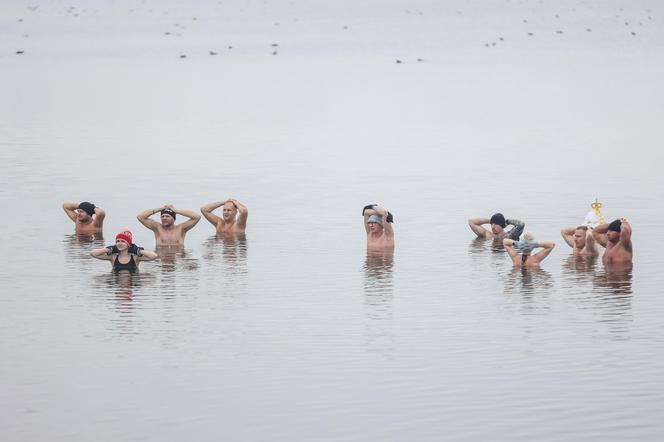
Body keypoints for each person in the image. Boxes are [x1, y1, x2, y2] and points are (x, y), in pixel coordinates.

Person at [91, 229, 157, 272]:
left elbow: (153, 256)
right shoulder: (113, 257)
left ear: (128, 244)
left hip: (132, 281)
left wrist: (138, 250)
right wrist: (109, 248)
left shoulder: (135, 257)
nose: (119, 243)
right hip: (117, 283)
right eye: (117, 241)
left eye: (123, 241)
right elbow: (93, 253)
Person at [136, 204, 201, 246]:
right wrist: (159, 209)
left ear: (174, 219)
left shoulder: (181, 228)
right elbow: (140, 217)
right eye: (162, 216)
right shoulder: (157, 228)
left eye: (167, 216)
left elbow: (197, 217)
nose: (164, 218)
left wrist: (177, 211)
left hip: (177, 260)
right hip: (161, 260)